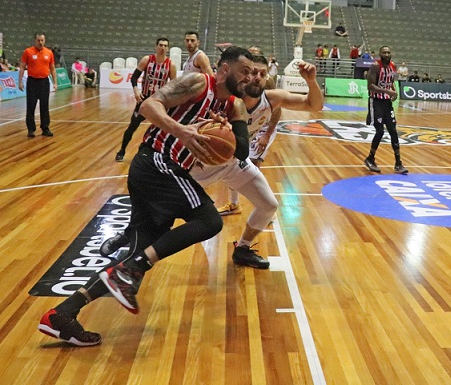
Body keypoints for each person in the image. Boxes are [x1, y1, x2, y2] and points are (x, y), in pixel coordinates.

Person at [37, 46, 254, 346]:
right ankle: (134, 268)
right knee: (209, 220)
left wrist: (226, 134)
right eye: (244, 71)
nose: (249, 78)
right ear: (225, 69)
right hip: (157, 162)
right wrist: (182, 131)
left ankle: (63, 314)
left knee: (134, 253)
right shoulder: (197, 83)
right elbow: (148, 107)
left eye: (252, 73)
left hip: (159, 172)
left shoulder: (233, 106)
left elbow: (241, 150)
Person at [102, 55, 323, 269]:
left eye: (261, 74)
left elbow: (314, 105)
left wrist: (311, 81)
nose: (254, 77)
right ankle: (129, 234)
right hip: (200, 163)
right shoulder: (225, 100)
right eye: (250, 72)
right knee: (161, 215)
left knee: (269, 205)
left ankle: (243, 249)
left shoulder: (271, 99)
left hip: (234, 163)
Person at [115, 37, 177, 161]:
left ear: (168, 48)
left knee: (164, 128)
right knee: (133, 125)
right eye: (160, 45)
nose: (162, 48)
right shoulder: (147, 60)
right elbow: (134, 77)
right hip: (144, 99)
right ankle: (122, 151)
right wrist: (136, 90)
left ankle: (163, 155)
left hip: (159, 101)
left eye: (165, 45)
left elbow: (173, 86)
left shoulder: (171, 65)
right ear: (156, 46)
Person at [363, 46, 408, 175]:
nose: (387, 54)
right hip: (376, 102)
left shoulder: (392, 66)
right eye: (384, 52)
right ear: (380, 54)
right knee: (380, 131)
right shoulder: (375, 66)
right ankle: (370, 158)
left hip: (387, 102)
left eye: (388, 52)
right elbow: (370, 86)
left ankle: (398, 163)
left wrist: (394, 91)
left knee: (393, 131)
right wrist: (386, 91)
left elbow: (390, 81)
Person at [19, 32, 57, 138]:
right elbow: (22, 67)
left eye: (42, 40)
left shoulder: (49, 53)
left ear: (45, 41)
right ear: (35, 41)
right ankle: (31, 129)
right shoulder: (28, 52)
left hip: (44, 82)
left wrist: (55, 82)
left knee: (44, 106)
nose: (40, 42)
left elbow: (52, 68)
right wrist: (20, 81)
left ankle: (45, 128)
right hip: (32, 82)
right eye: (38, 40)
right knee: (31, 106)